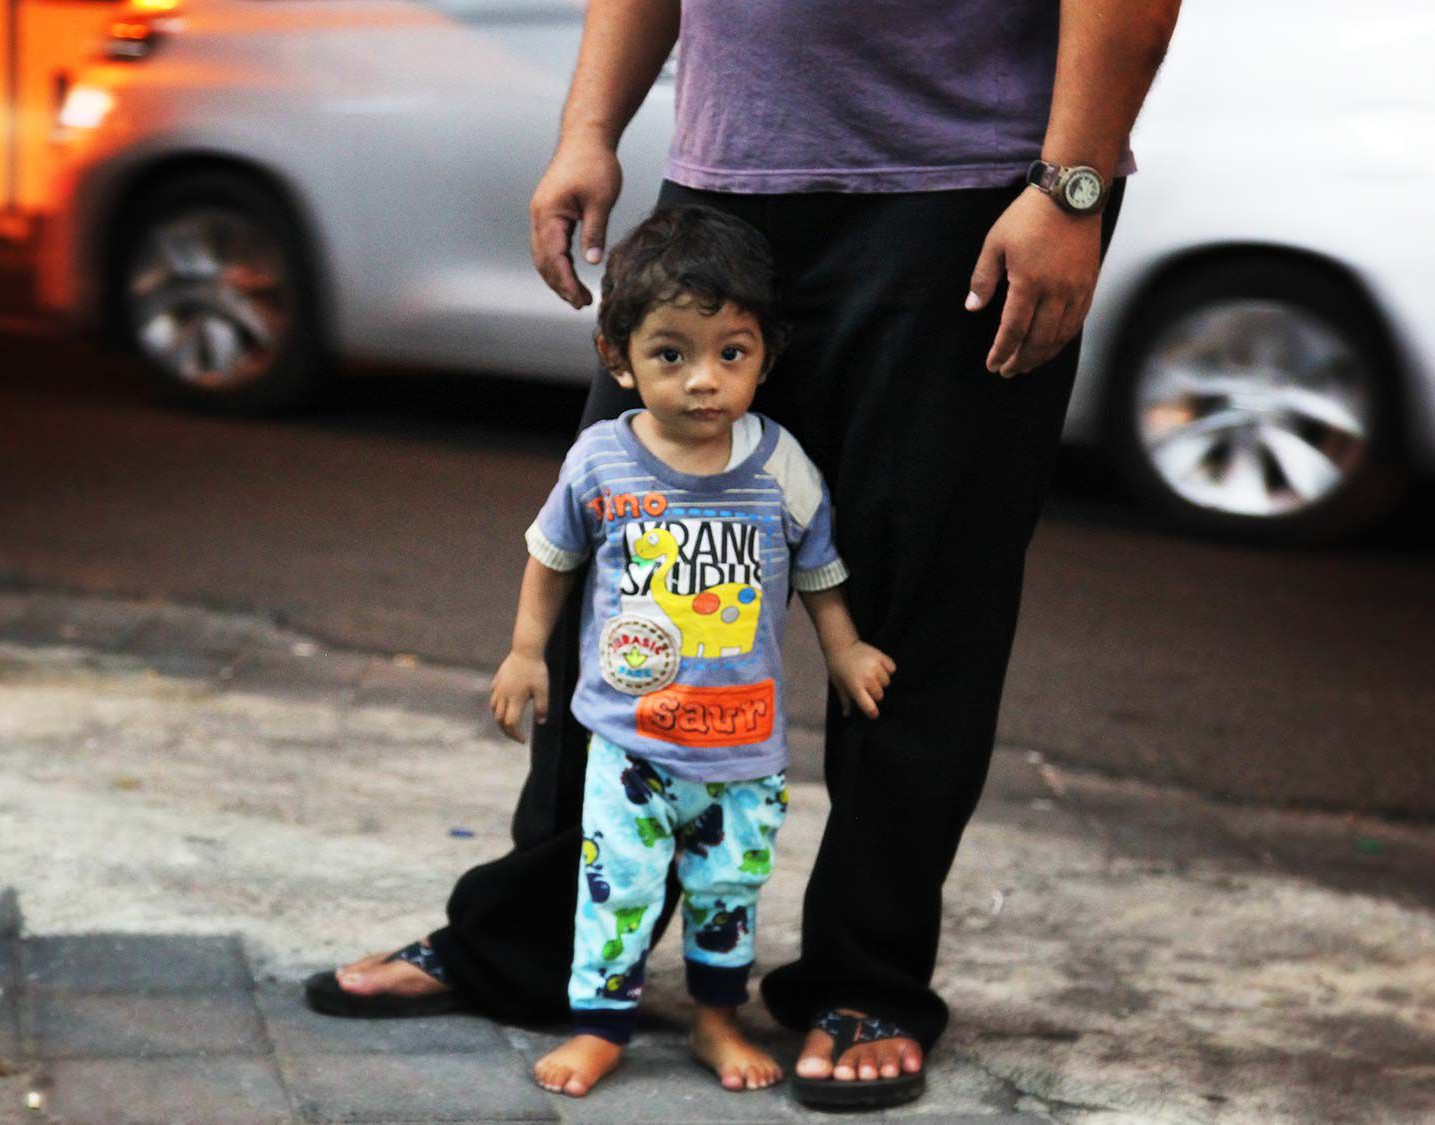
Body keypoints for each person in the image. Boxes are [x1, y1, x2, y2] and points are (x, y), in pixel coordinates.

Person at [306, 0, 1179, 1110]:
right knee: (621, 580)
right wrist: (589, 132)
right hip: (723, 188)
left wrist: (1073, 189)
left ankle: (864, 981)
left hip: (966, 197)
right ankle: (538, 942)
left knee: (917, 619)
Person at [486, 205, 895, 1096]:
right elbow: (549, 559)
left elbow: (819, 570)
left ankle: (717, 1020)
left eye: (731, 353)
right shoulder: (602, 461)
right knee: (617, 889)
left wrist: (848, 648)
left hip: (743, 751)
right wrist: (525, 653)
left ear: (764, 357)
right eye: (672, 353)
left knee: (727, 892)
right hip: (629, 745)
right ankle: (601, 1026)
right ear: (618, 358)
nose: (704, 381)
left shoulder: (779, 463)